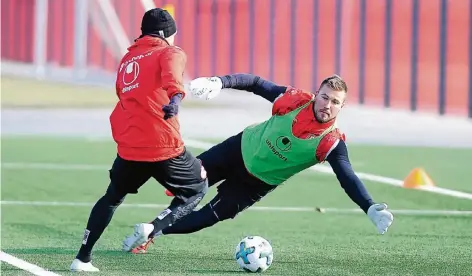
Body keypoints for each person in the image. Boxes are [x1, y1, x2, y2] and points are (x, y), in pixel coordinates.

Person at [124, 73, 394, 255]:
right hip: (237, 150)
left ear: (341, 107)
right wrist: (220, 82)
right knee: (187, 185)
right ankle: (131, 198)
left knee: (206, 218)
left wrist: (369, 206)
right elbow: (255, 83)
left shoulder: (331, 143)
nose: (327, 104)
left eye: (335, 102)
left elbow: (347, 176)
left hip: (255, 184)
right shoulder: (293, 101)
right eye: (324, 97)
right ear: (316, 95)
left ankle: (151, 232)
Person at [69, 8, 208, 272]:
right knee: (197, 188)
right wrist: (176, 100)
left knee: (111, 198)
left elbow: (124, 94)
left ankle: (82, 258)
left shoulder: (127, 59)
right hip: (162, 144)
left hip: (130, 146)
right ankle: (153, 228)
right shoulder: (170, 51)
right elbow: (173, 78)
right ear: (167, 34)